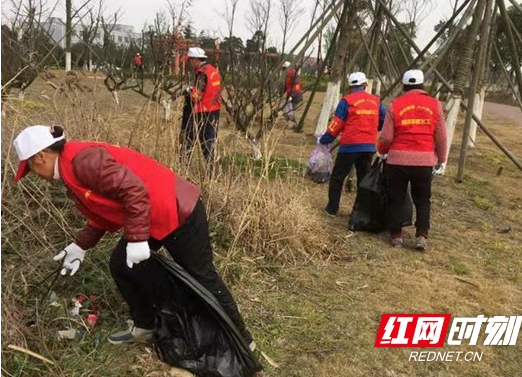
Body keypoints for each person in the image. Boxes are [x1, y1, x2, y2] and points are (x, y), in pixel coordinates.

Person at [12, 125, 254, 349]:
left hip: (178, 211)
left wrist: (137, 239)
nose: (33, 173)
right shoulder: (68, 168)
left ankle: (242, 340)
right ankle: (146, 325)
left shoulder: (83, 161)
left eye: (30, 167)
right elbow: (104, 209)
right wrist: (80, 246)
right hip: (148, 216)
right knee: (122, 265)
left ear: (40, 157)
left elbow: (134, 191)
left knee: (202, 276)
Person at [377, 69, 447, 250]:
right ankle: (421, 236)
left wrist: (381, 151)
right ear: (423, 85)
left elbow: (385, 137)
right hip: (424, 161)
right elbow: (441, 136)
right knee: (423, 200)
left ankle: (396, 236)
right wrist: (441, 158)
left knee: (397, 198)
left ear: (404, 85)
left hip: (398, 160)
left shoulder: (395, 105)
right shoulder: (435, 105)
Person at [318, 72, 386, 217]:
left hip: (349, 146)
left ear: (350, 86)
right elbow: (383, 118)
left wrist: (324, 140)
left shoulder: (346, 101)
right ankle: (358, 211)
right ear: (365, 85)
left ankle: (332, 208)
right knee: (363, 179)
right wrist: (375, 127)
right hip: (368, 147)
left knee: (337, 177)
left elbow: (336, 124)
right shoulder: (376, 101)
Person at [181, 47, 221, 166]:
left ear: (195, 60)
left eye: (189, 60)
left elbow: (196, 95)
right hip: (214, 110)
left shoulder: (201, 73)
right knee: (209, 141)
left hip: (203, 112)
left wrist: (189, 92)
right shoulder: (212, 70)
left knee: (189, 138)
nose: (188, 63)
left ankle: (184, 166)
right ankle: (211, 171)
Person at [281, 61, 303, 129]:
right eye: (283, 68)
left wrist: (292, 96)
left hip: (295, 96)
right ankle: (294, 124)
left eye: (284, 68)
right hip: (290, 96)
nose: (283, 70)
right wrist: (280, 93)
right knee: (286, 111)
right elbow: (285, 86)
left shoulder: (294, 75)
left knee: (290, 111)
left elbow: (296, 86)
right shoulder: (287, 76)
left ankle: (294, 125)